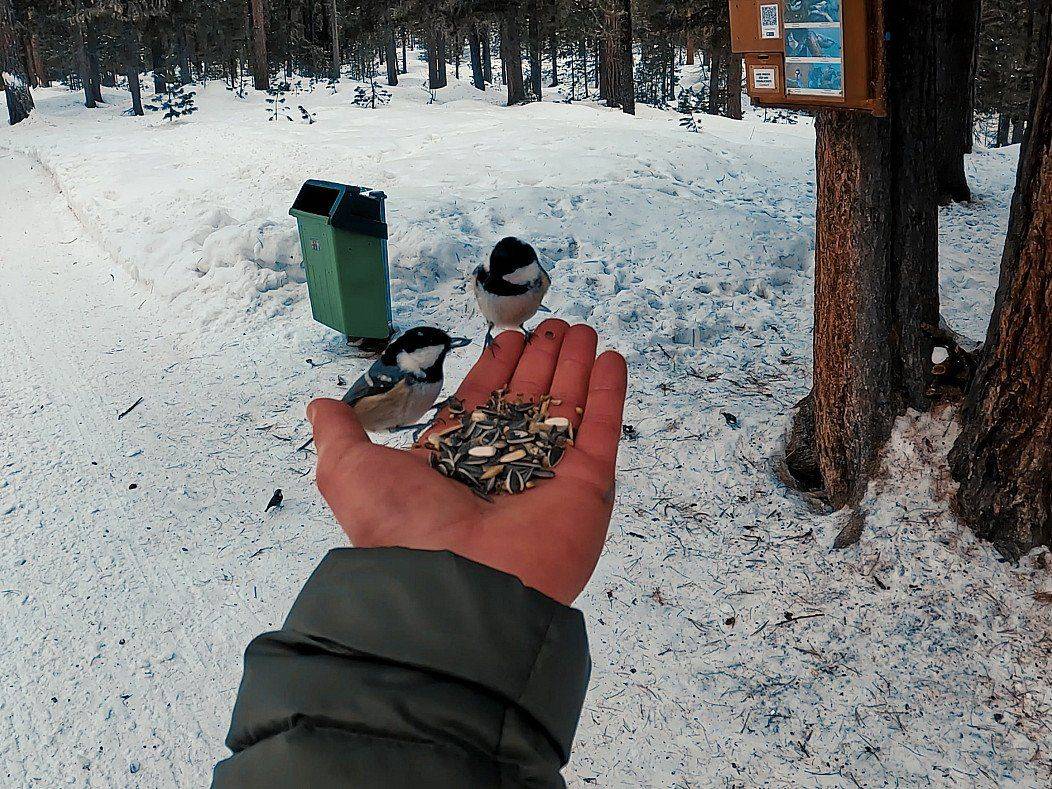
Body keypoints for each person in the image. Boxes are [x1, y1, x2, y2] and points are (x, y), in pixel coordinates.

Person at [213, 319, 628, 788]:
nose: (442, 354)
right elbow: (354, 404)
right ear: (409, 355)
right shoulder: (391, 375)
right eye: (434, 349)